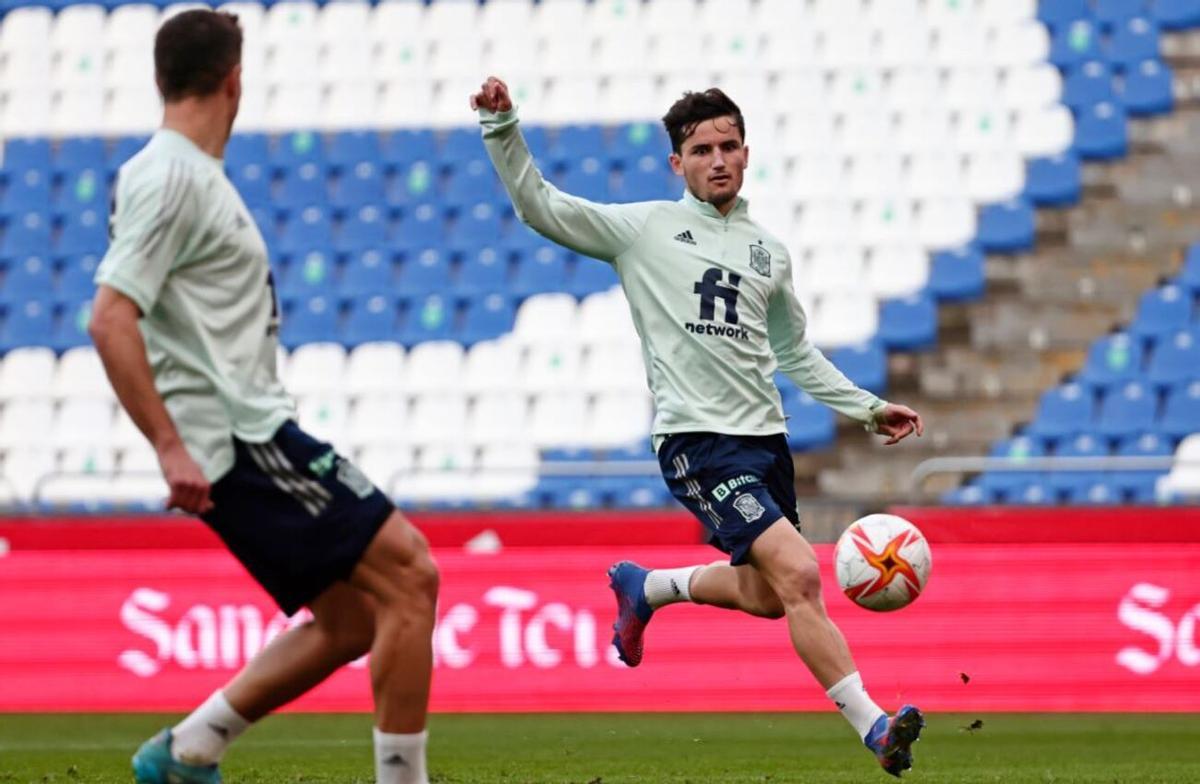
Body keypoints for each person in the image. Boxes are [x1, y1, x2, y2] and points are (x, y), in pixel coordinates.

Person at [471, 77, 926, 777]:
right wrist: (502, 128)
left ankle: (646, 587)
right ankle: (874, 724)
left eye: (729, 146)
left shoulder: (768, 252)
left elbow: (793, 351)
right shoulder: (644, 229)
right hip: (697, 442)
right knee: (802, 574)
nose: (717, 159)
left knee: (772, 597)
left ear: (747, 154)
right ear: (676, 164)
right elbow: (541, 208)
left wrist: (866, 406)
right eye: (701, 149)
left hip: (764, 443)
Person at [90, 11, 437, 784]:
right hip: (239, 436)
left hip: (238, 430)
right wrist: (171, 446)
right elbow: (110, 317)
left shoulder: (181, 176)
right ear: (233, 81)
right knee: (413, 575)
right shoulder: (172, 175)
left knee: (350, 618)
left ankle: (189, 750)